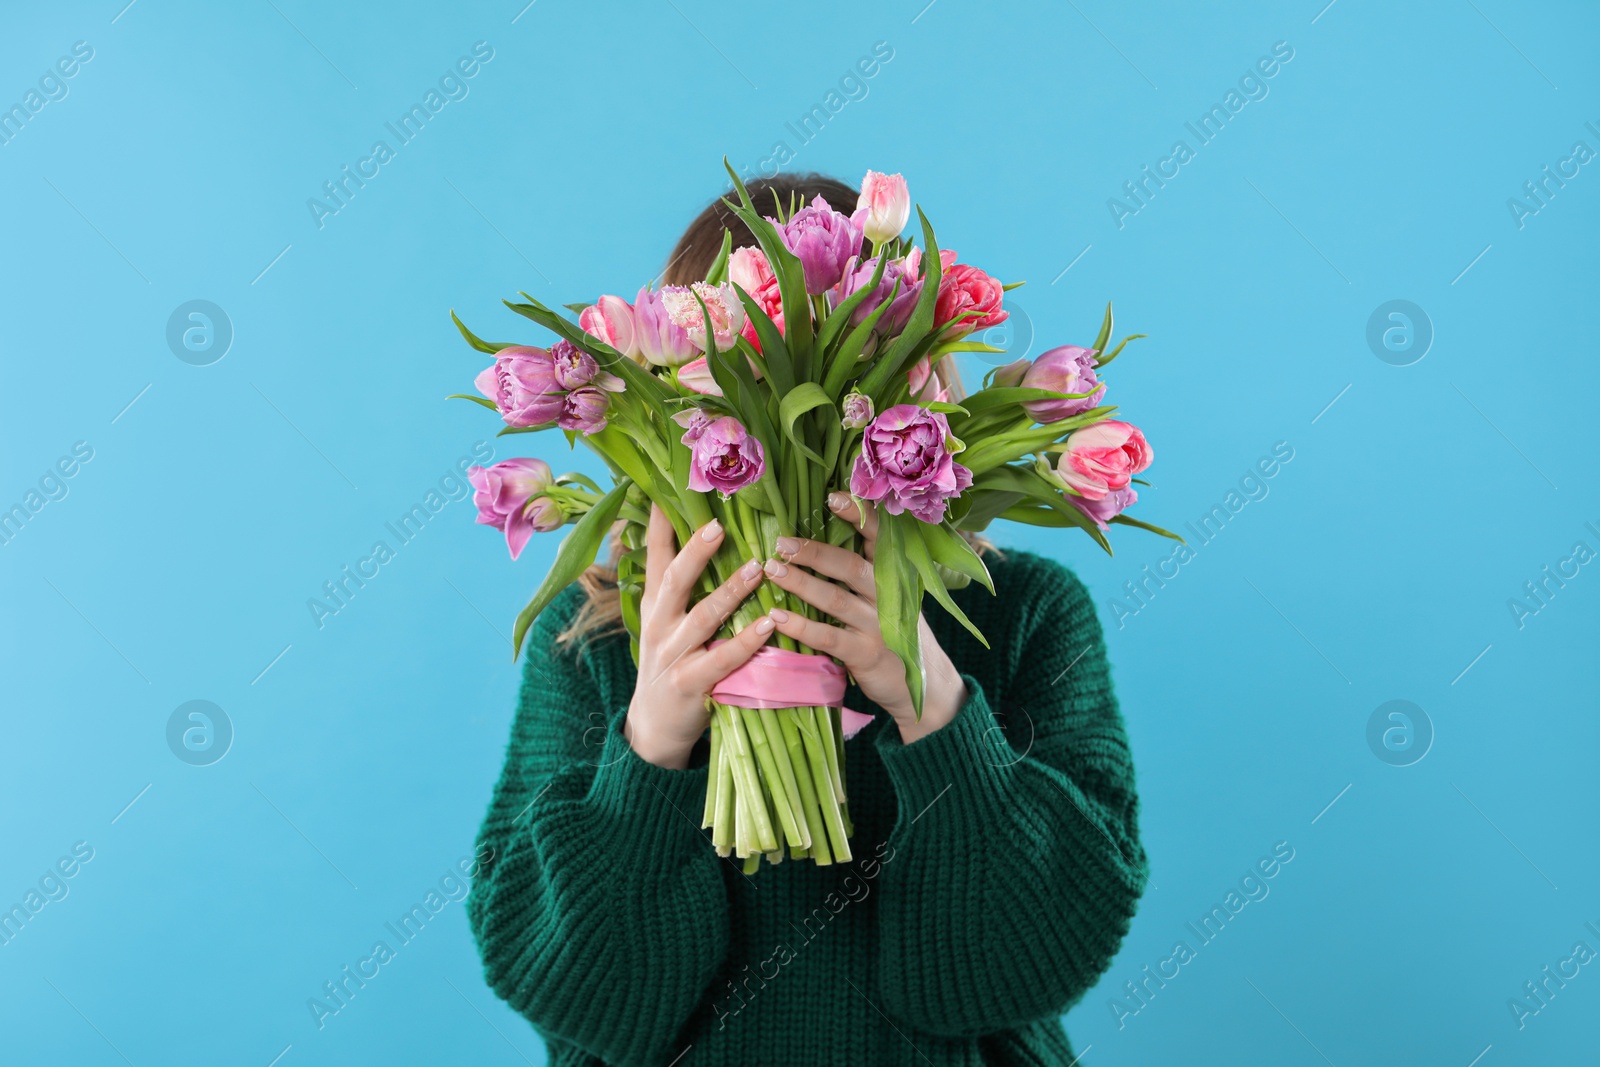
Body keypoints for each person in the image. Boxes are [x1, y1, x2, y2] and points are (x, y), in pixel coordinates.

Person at [466, 173, 1149, 1066]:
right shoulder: (598, 633)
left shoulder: (1025, 613)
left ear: (919, 381)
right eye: (736, 373)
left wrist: (935, 707)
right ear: (675, 393)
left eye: (859, 361)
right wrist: (652, 742)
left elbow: (1032, 965)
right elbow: (565, 986)